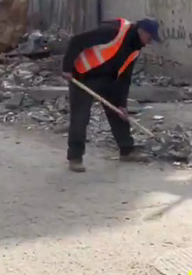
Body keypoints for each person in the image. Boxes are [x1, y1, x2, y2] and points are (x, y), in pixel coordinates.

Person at [61, 18, 160, 172]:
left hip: (108, 79)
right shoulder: (113, 31)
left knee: (118, 113)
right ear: (142, 31)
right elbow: (77, 40)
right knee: (80, 117)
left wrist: (122, 104)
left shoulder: (135, 48)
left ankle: (127, 150)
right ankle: (75, 157)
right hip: (83, 75)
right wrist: (67, 67)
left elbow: (125, 77)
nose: (149, 42)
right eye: (149, 38)